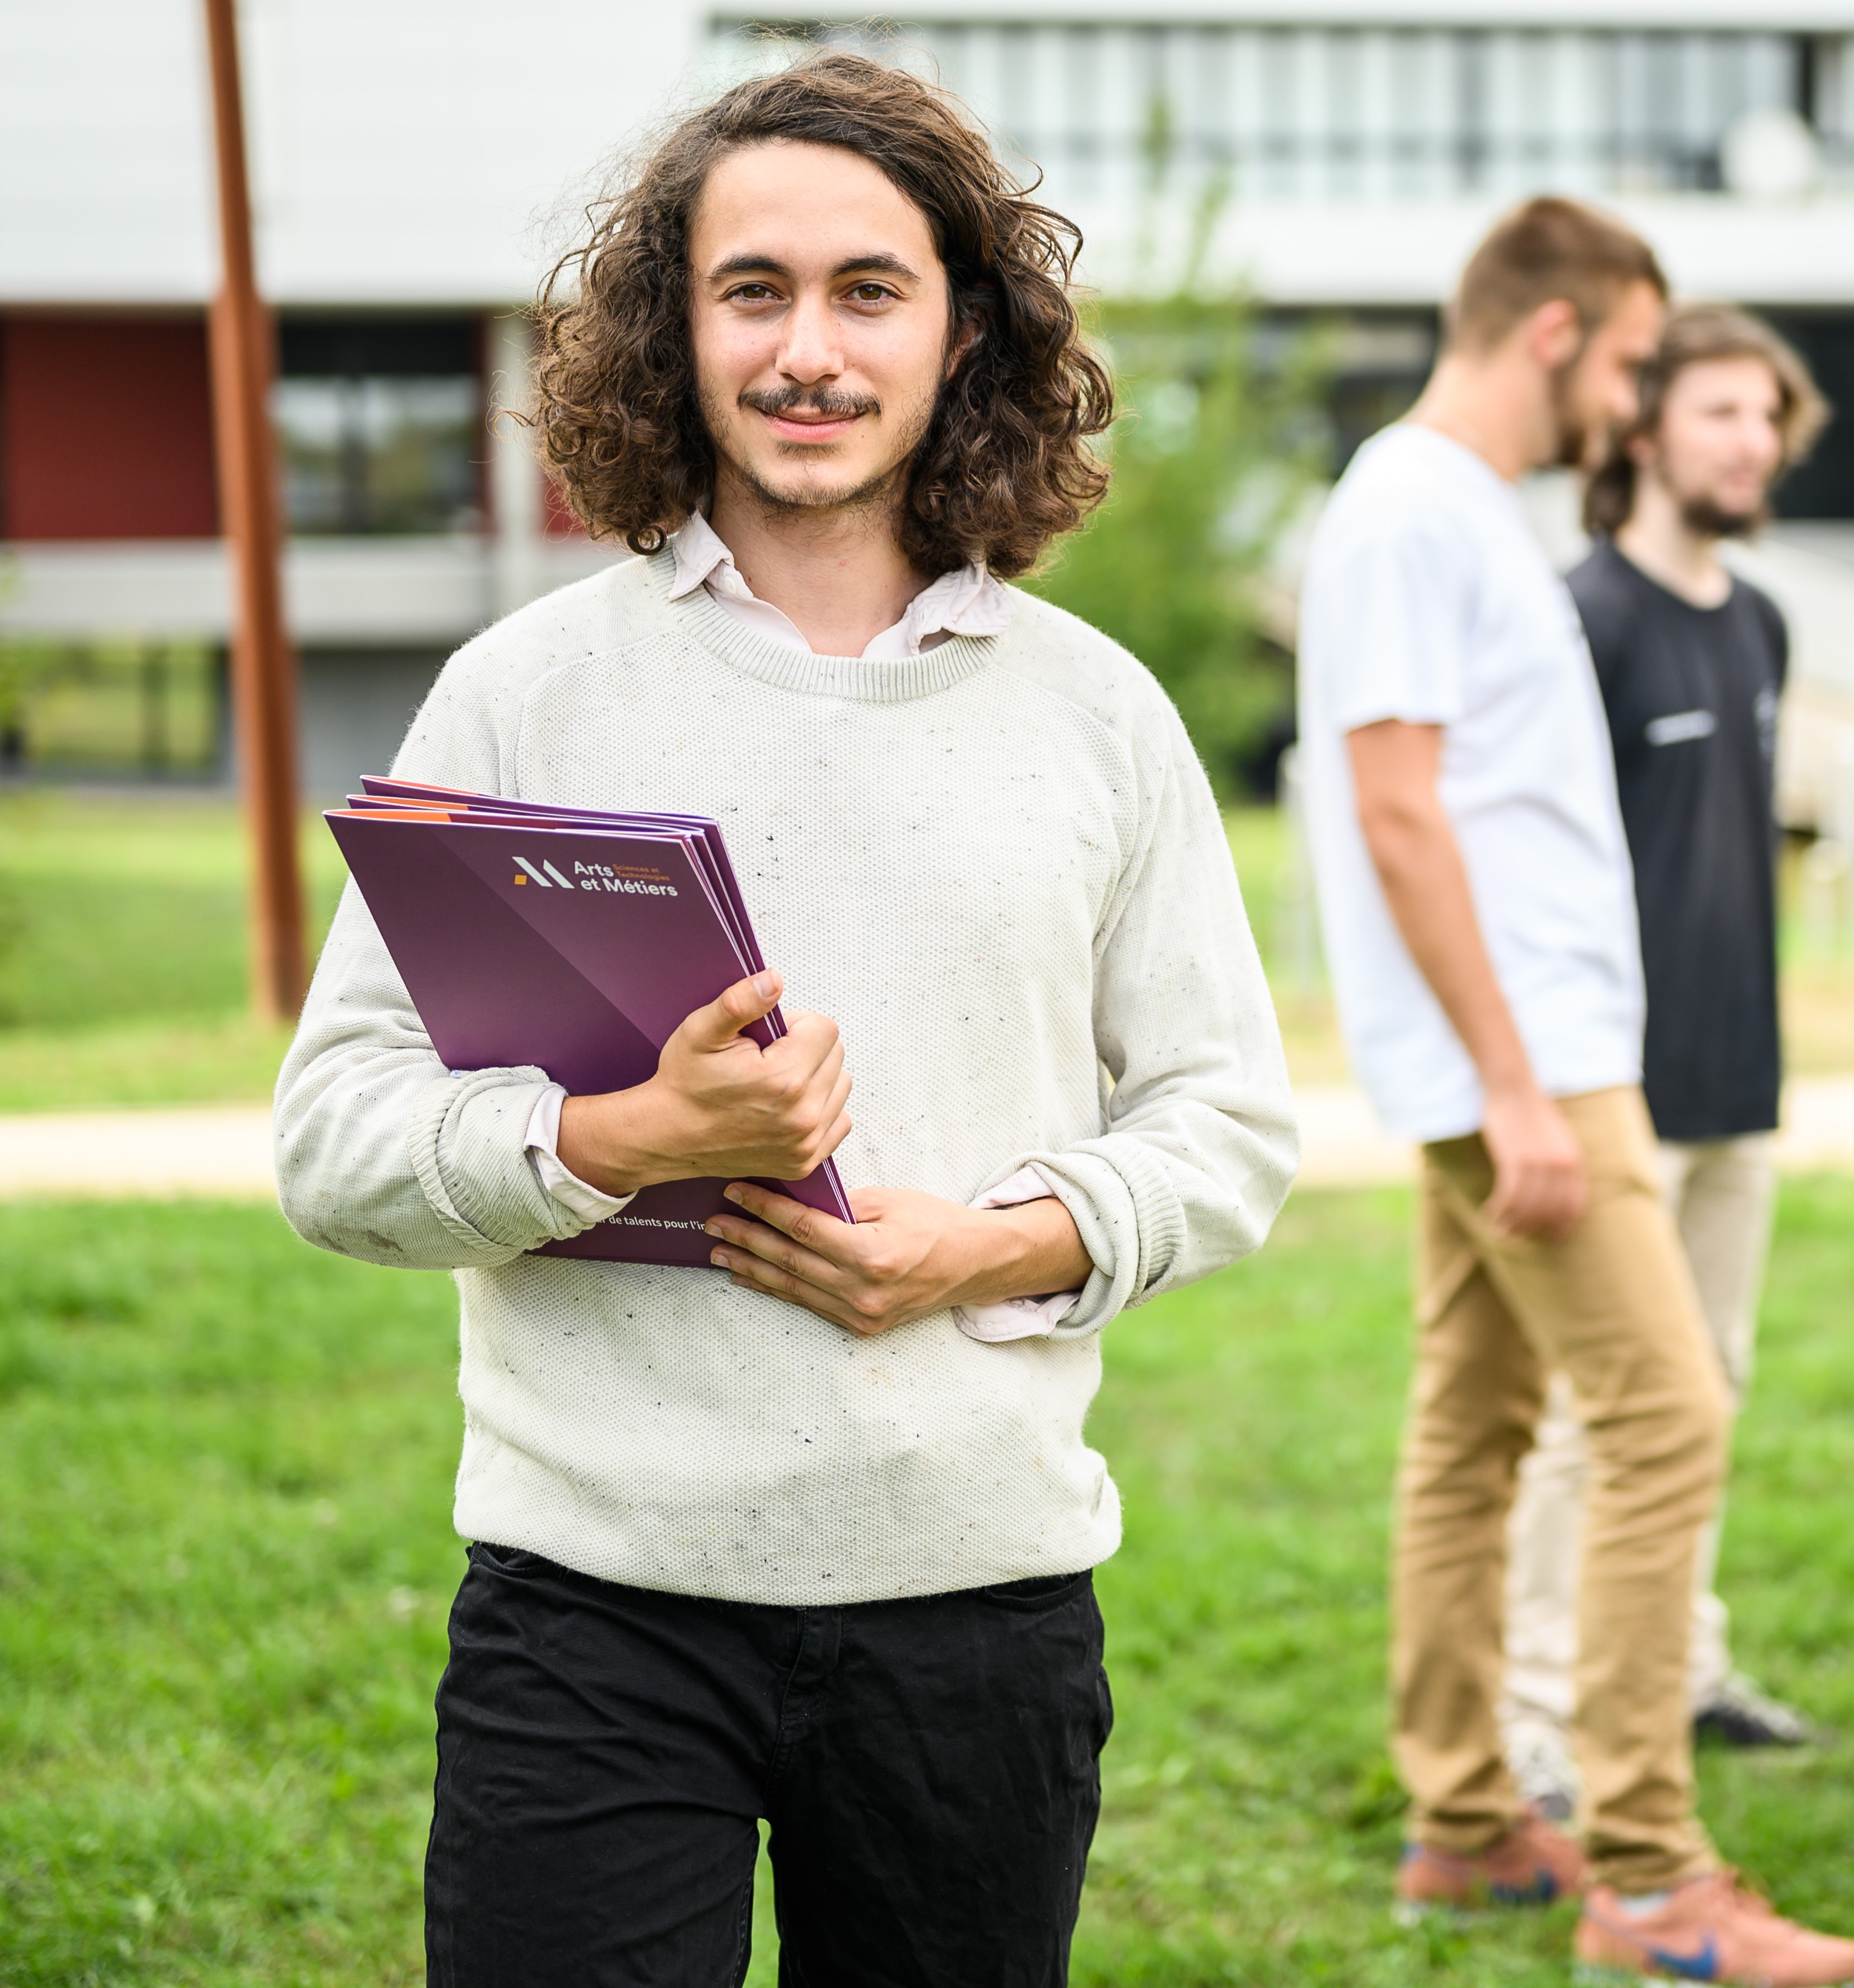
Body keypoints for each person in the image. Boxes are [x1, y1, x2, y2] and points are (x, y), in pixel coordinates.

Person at [271, 54, 1297, 1986]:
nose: (806, 350)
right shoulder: (523, 695)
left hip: (978, 1606)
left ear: (963, 329)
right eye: (754, 291)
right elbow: (331, 1138)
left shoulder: (1096, 711)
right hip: (595, 1612)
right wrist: (613, 1143)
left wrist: (983, 1248)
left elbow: (1227, 1122)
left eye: (867, 290)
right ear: (677, 325)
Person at [1299, 200, 1854, 1987]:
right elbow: (1397, 807)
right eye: (1634, 363)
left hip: (1544, 1060)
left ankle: (1466, 1824)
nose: (1637, 403)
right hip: (1527, 1076)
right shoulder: (1411, 507)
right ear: (1556, 334)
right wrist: (1516, 1085)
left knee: (1474, 1431)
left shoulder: (1467, 512)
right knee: (1667, 1416)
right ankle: (1649, 1878)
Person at [1494, 303, 1832, 1811]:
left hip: (1736, 1070)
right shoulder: (1583, 618)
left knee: (1714, 1386)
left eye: (1767, 416)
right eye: (1719, 413)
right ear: (1641, 431)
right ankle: (1542, 1722)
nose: (1751, 442)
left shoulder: (1760, 620)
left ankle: (1680, 1666)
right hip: (1606, 1082)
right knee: (1595, 1409)